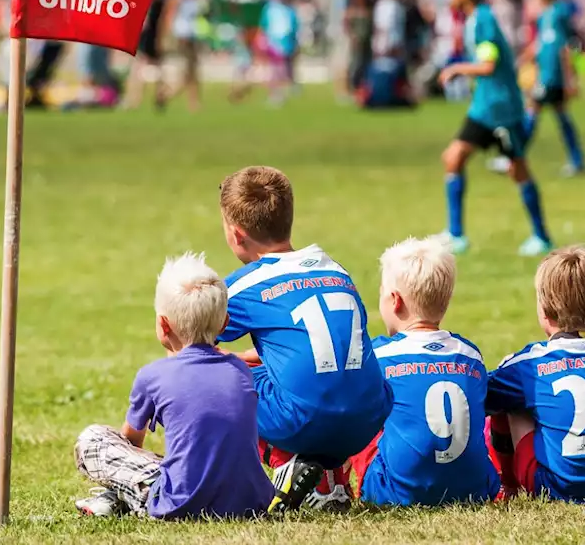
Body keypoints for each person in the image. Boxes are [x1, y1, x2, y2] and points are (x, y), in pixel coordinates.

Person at [216, 166, 391, 513]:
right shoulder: (335, 269)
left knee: (217, 377)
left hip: (304, 419)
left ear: (236, 235)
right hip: (370, 416)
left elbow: (198, 345)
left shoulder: (244, 285)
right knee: (308, 380)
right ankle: (334, 477)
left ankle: (294, 471)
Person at [73, 252, 273, 519]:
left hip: (181, 504)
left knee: (93, 440)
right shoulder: (239, 370)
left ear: (163, 324)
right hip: (251, 501)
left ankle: (120, 496)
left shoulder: (153, 375)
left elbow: (131, 444)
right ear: (224, 324)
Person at [351, 236, 501, 507]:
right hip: (476, 490)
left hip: (395, 494)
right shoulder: (470, 355)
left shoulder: (378, 355)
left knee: (350, 406)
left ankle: (330, 486)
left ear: (395, 300)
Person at [484, 246, 585, 503]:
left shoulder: (528, 366)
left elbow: (480, 399)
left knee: (513, 399)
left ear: (545, 310)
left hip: (556, 489)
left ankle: (508, 486)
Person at [437, 0, 551, 257]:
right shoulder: (476, 18)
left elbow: (488, 64)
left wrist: (456, 68)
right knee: (453, 158)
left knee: (518, 169)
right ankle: (456, 234)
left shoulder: (483, 19)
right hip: (485, 107)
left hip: (500, 109)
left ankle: (541, 237)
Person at [523, 0, 585, 177]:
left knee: (532, 109)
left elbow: (566, 47)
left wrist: (569, 78)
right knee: (561, 117)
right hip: (546, 74)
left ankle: (513, 156)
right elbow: (542, 44)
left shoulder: (559, 12)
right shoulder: (545, 14)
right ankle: (577, 160)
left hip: (553, 76)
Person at [122, 0, 167, 111]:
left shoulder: (150, 2)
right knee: (155, 69)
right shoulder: (159, 2)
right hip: (152, 39)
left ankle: (136, 99)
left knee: (139, 70)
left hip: (148, 39)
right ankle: (157, 97)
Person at [164, 0, 202, 111]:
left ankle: (193, 102)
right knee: (186, 71)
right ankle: (168, 94)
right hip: (181, 36)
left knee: (193, 70)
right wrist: (168, 35)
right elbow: (169, 15)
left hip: (192, 35)